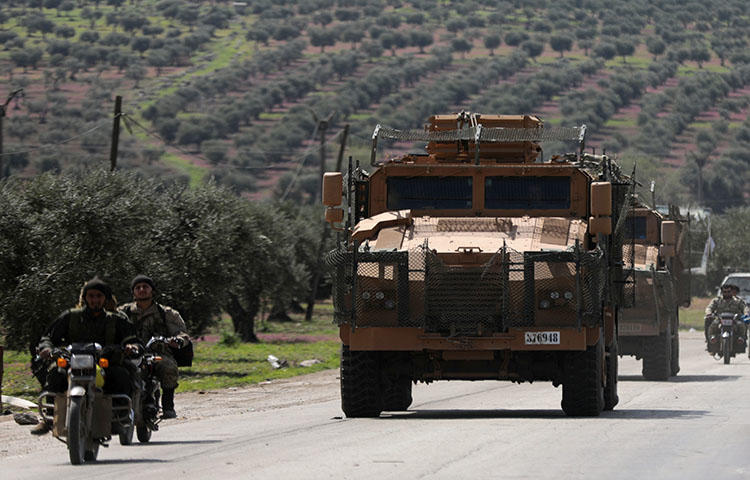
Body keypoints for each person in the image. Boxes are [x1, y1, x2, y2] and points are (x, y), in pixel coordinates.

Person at [31, 277, 138, 435]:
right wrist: (47, 348)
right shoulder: (71, 316)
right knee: (55, 373)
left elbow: (132, 339)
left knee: (121, 374)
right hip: (72, 361)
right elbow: (48, 337)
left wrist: (131, 347)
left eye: (99, 296)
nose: (95, 300)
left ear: (105, 299)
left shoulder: (115, 320)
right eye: (91, 296)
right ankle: (49, 418)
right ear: (85, 297)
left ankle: (118, 417)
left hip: (104, 363)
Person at [118, 274, 190, 419]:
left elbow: (183, 334)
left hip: (157, 353)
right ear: (133, 292)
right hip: (130, 354)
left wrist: (177, 340)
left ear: (153, 291)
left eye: (145, 287)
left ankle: (168, 405)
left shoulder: (166, 313)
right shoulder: (123, 312)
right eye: (138, 287)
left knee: (169, 367)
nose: (142, 290)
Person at [705, 283, 749, 350]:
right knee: (713, 325)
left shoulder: (737, 301)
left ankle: (741, 339)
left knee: (741, 325)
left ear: (731, 292)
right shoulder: (717, 300)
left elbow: (745, 308)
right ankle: (712, 339)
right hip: (720, 320)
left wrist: (746, 313)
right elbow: (709, 308)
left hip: (734, 320)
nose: (727, 293)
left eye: (729, 292)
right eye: (725, 292)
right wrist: (709, 313)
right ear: (722, 292)